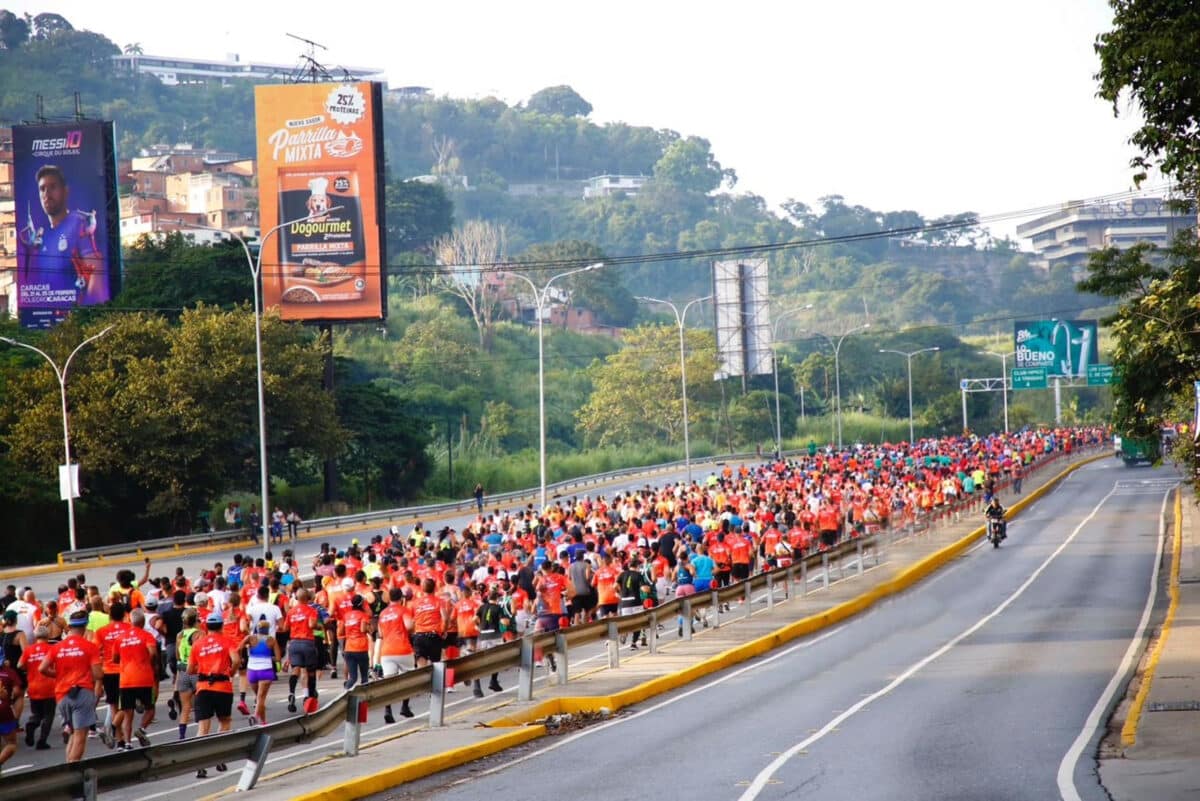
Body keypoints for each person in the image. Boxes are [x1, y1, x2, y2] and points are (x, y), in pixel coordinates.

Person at [21, 164, 107, 304]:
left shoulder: (79, 223)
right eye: (42, 189)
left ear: (65, 191)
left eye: (53, 187)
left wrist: (86, 312)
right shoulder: (41, 236)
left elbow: (96, 273)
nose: (47, 194)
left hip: (77, 314)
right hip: (44, 313)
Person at [38, 609, 102, 763]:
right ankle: (73, 770)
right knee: (80, 735)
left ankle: (69, 765)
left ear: (70, 626)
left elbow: (42, 668)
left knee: (73, 733)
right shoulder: (90, 646)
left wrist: (59, 675)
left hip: (62, 695)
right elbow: (98, 674)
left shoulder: (57, 647)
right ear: (85, 626)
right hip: (82, 692)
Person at [188, 611, 239, 778]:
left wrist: (202, 668)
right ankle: (220, 757)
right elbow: (236, 660)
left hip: (203, 688)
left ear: (206, 626)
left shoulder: (197, 644)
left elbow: (190, 669)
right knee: (224, 722)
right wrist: (231, 671)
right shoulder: (227, 641)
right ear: (221, 626)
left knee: (203, 727)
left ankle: (199, 764)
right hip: (223, 687)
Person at [17, 625, 56, 750]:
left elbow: (19, 665)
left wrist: (28, 668)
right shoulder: (52, 649)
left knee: (36, 713)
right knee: (48, 715)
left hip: (33, 687)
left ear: (35, 636)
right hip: (49, 687)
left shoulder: (29, 650)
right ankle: (42, 741)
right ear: (48, 636)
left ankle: (31, 724)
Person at [239, 618, 280, 725]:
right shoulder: (272, 640)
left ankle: (263, 722)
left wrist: (241, 658)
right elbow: (278, 658)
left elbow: (239, 648)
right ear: (268, 629)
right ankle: (255, 716)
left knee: (259, 697)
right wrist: (270, 658)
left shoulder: (250, 638)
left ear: (257, 628)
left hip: (252, 671)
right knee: (261, 697)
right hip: (266, 671)